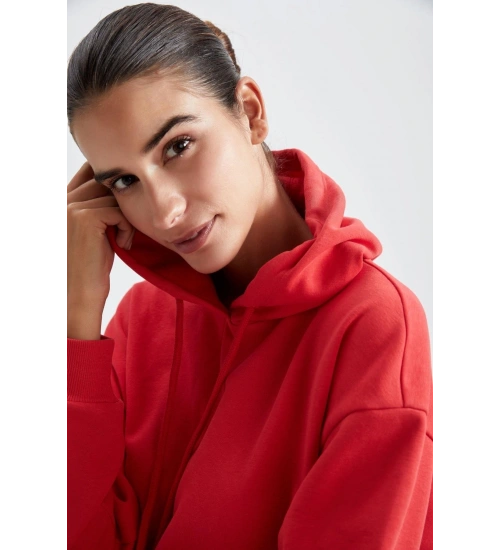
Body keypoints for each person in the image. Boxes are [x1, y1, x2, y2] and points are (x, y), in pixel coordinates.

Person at [65, 3, 435, 549]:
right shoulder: (140, 320)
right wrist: (77, 318)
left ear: (250, 111)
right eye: (124, 181)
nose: (164, 212)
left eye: (178, 147)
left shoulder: (373, 326)